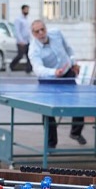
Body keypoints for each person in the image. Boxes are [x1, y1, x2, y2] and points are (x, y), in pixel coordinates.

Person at [28, 19, 86, 148]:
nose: (41, 33)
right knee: (48, 111)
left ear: (46, 29)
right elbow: (38, 69)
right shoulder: (33, 50)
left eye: (42, 29)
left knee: (77, 103)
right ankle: (51, 143)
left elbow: (68, 49)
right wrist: (54, 72)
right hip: (48, 78)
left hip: (66, 73)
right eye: (37, 31)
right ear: (33, 34)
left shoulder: (57, 33)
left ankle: (76, 132)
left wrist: (73, 62)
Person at [10, 4, 32, 73]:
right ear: (22, 10)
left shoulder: (27, 19)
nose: (27, 11)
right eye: (26, 9)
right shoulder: (18, 19)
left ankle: (28, 69)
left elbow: (28, 30)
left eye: (28, 10)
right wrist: (20, 40)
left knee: (29, 55)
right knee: (20, 55)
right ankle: (11, 65)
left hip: (27, 40)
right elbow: (17, 31)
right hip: (21, 41)